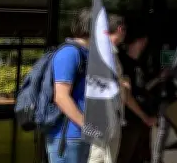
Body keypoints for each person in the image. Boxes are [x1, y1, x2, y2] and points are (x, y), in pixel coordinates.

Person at [47, 8, 92, 163]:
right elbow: (61, 96)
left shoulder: (87, 54)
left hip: (80, 136)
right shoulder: (70, 53)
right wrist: (86, 126)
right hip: (68, 138)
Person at [88, 14, 129, 163]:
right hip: (103, 116)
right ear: (120, 29)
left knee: (106, 157)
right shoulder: (104, 51)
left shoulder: (109, 51)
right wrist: (122, 83)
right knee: (98, 157)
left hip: (112, 115)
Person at [116, 26, 158, 163]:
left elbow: (142, 89)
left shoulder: (138, 64)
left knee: (140, 156)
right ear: (139, 41)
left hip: (139, 121)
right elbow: (127, 96)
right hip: (130, 120)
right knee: (126, 156)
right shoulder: (123, 63)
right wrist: (144, 117)